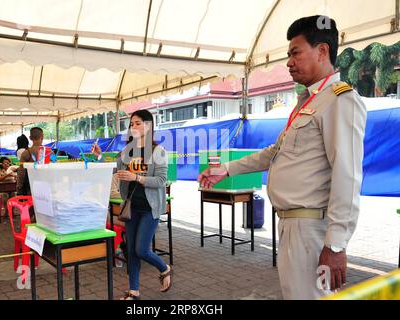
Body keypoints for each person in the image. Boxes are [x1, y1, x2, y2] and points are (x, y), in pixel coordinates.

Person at [198, 15, 366, 300]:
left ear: (322, 51)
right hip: (292, 226)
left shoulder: (340, 100)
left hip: (311, 231)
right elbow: (275, 153)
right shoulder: (308, 101)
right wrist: (227, 169)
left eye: (295, 53)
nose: (289, 62)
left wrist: (335, 245)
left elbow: (347, 175)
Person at [91, 109, 172, 300]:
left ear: (148, 125)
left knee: (141, 249)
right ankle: (134, 291)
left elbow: (161, 181)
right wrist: (100, 157)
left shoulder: (158, 151)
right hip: (131, 206)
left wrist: (136, 177)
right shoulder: (128, 151)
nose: (133, 127)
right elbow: (115, 168)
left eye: (137, 123)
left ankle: (164, 268)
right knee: (131, 251)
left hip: (149, 208)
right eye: (131, 124)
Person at [16, 127, 44, 196]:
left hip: (31, 187)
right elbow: (55, 166)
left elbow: (21, 172)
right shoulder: (50, 153)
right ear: (42, 137)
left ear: (30, 138)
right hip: (46, 185)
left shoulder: (26, 153)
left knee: (31, 205)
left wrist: (19, 188)